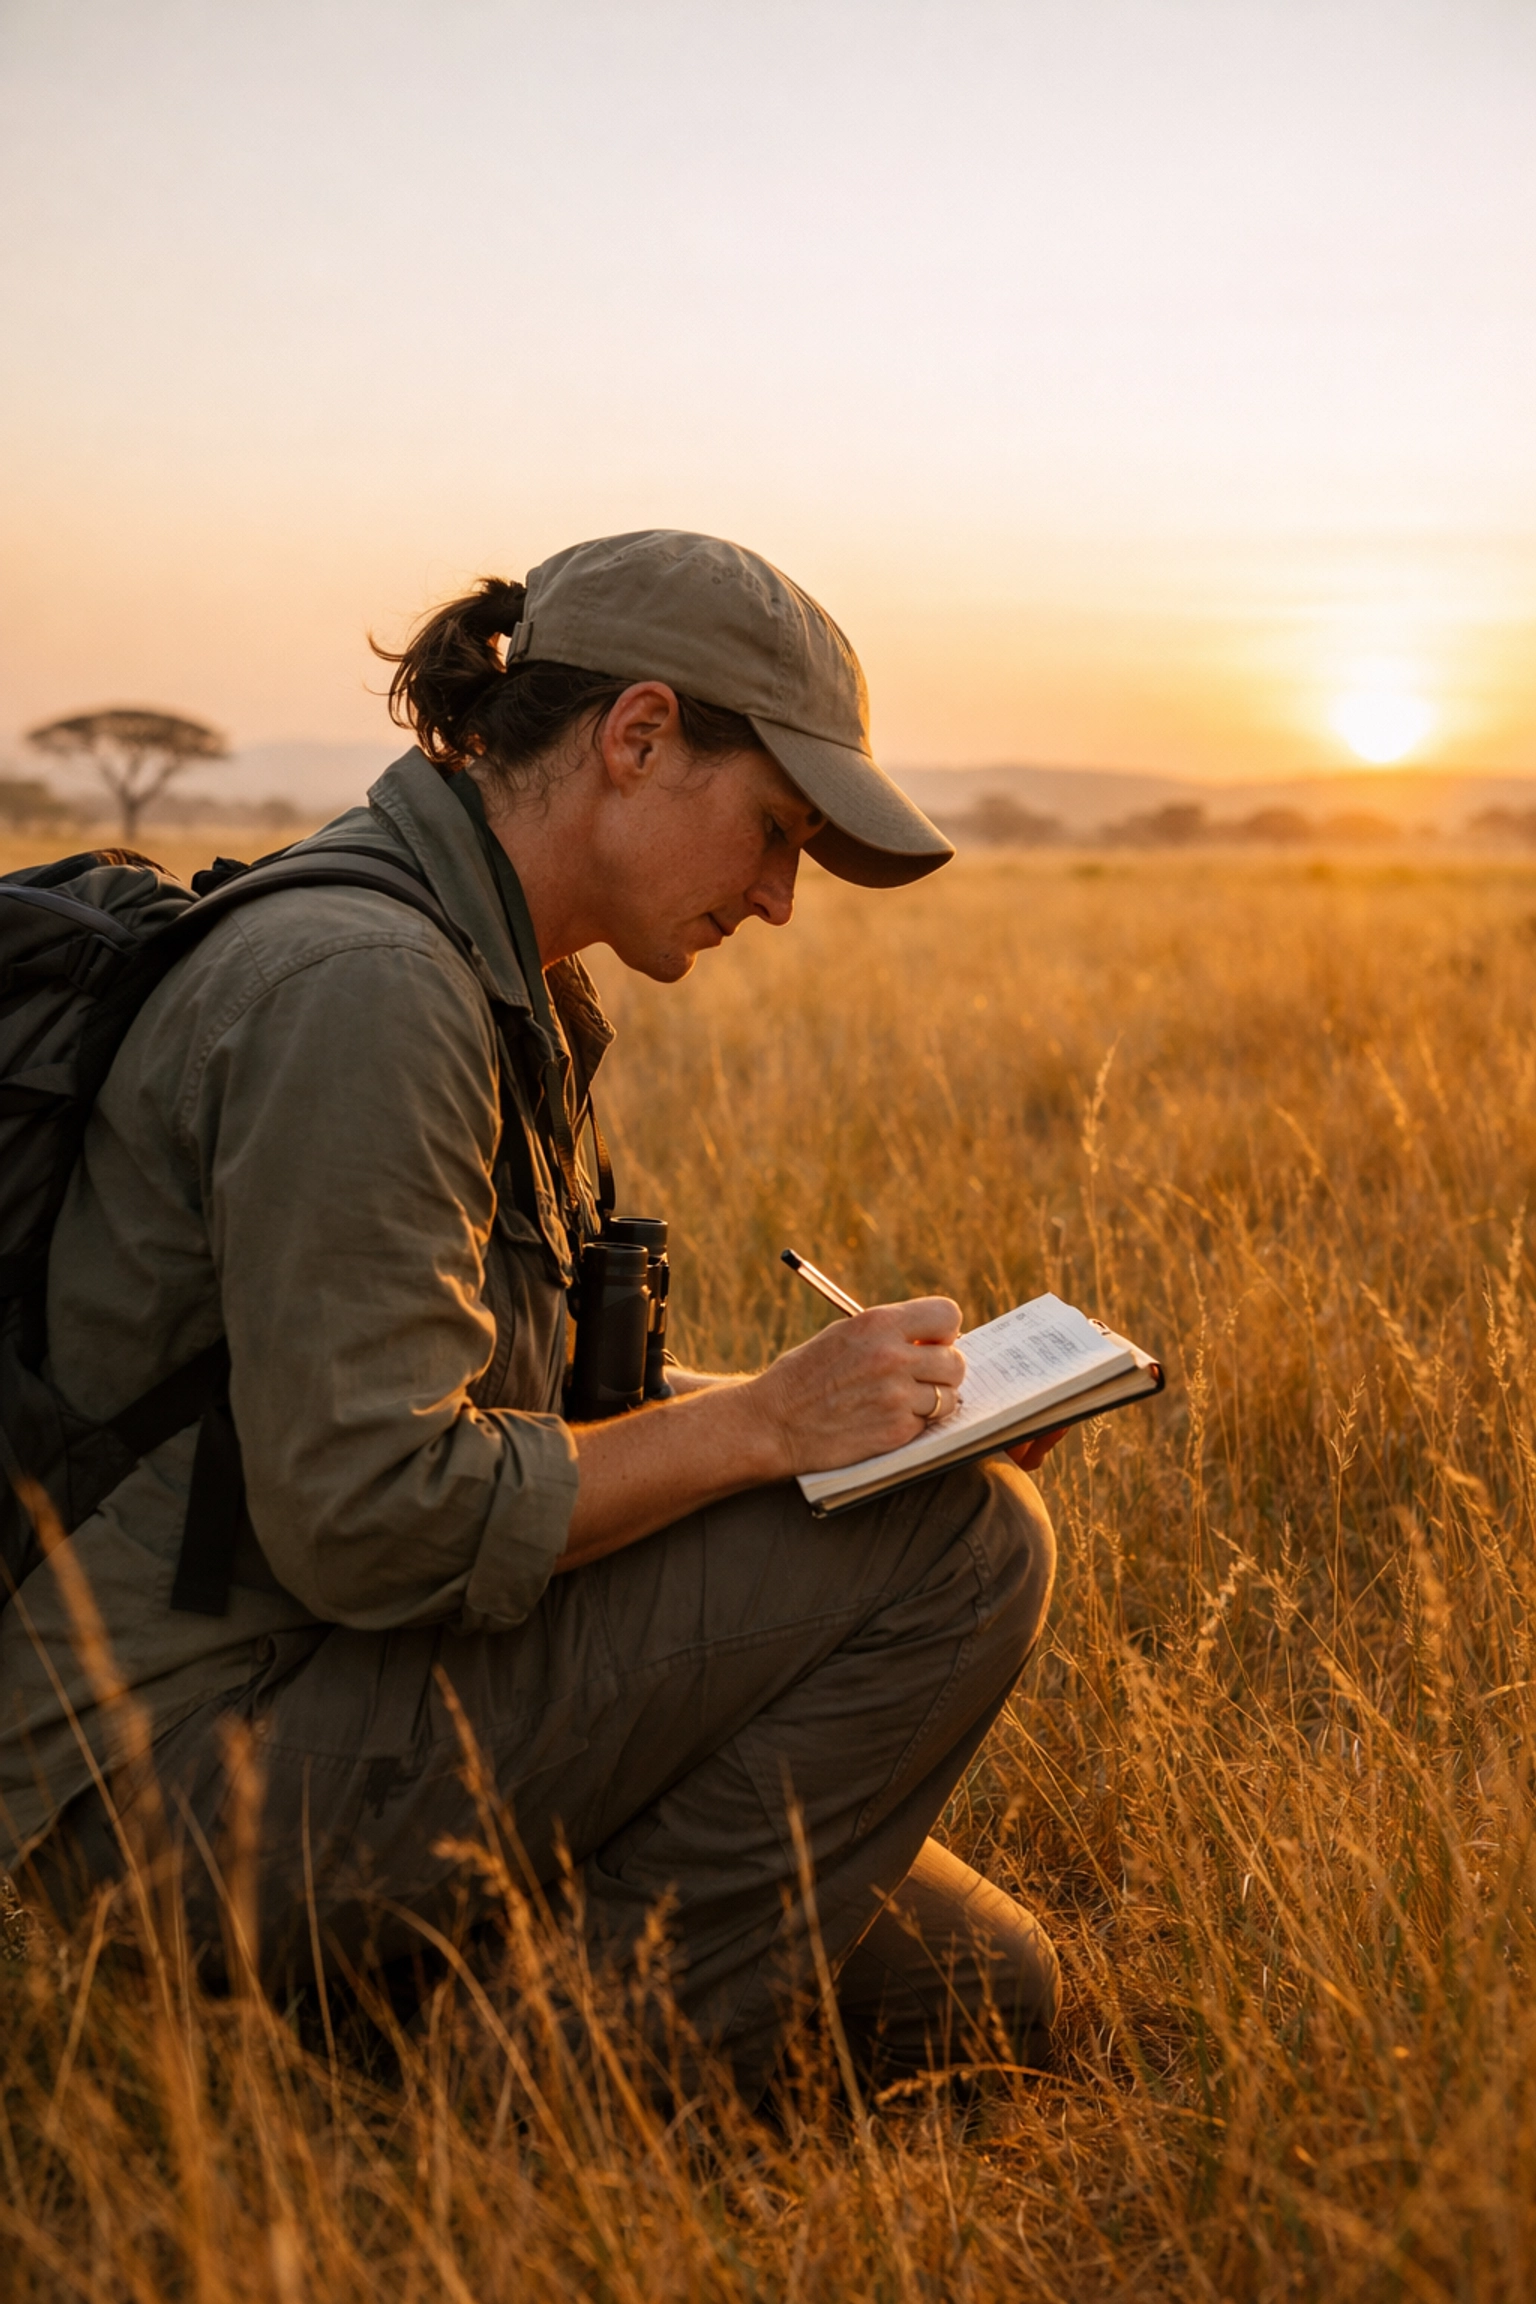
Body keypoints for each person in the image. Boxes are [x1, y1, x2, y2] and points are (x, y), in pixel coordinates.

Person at [2, 530, 1060, 2100]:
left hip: (333, 1683)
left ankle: (387, 2002)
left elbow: (492, 1400)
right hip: (165, 1778)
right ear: (635, 740)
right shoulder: (364, 986)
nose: (779, 900)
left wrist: (864, 1414)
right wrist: (766, 1425)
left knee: (980, 1994)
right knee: (967, 1543)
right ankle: (513, 2114)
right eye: (774, 830)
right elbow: (371, 1513)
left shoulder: (504, 983)